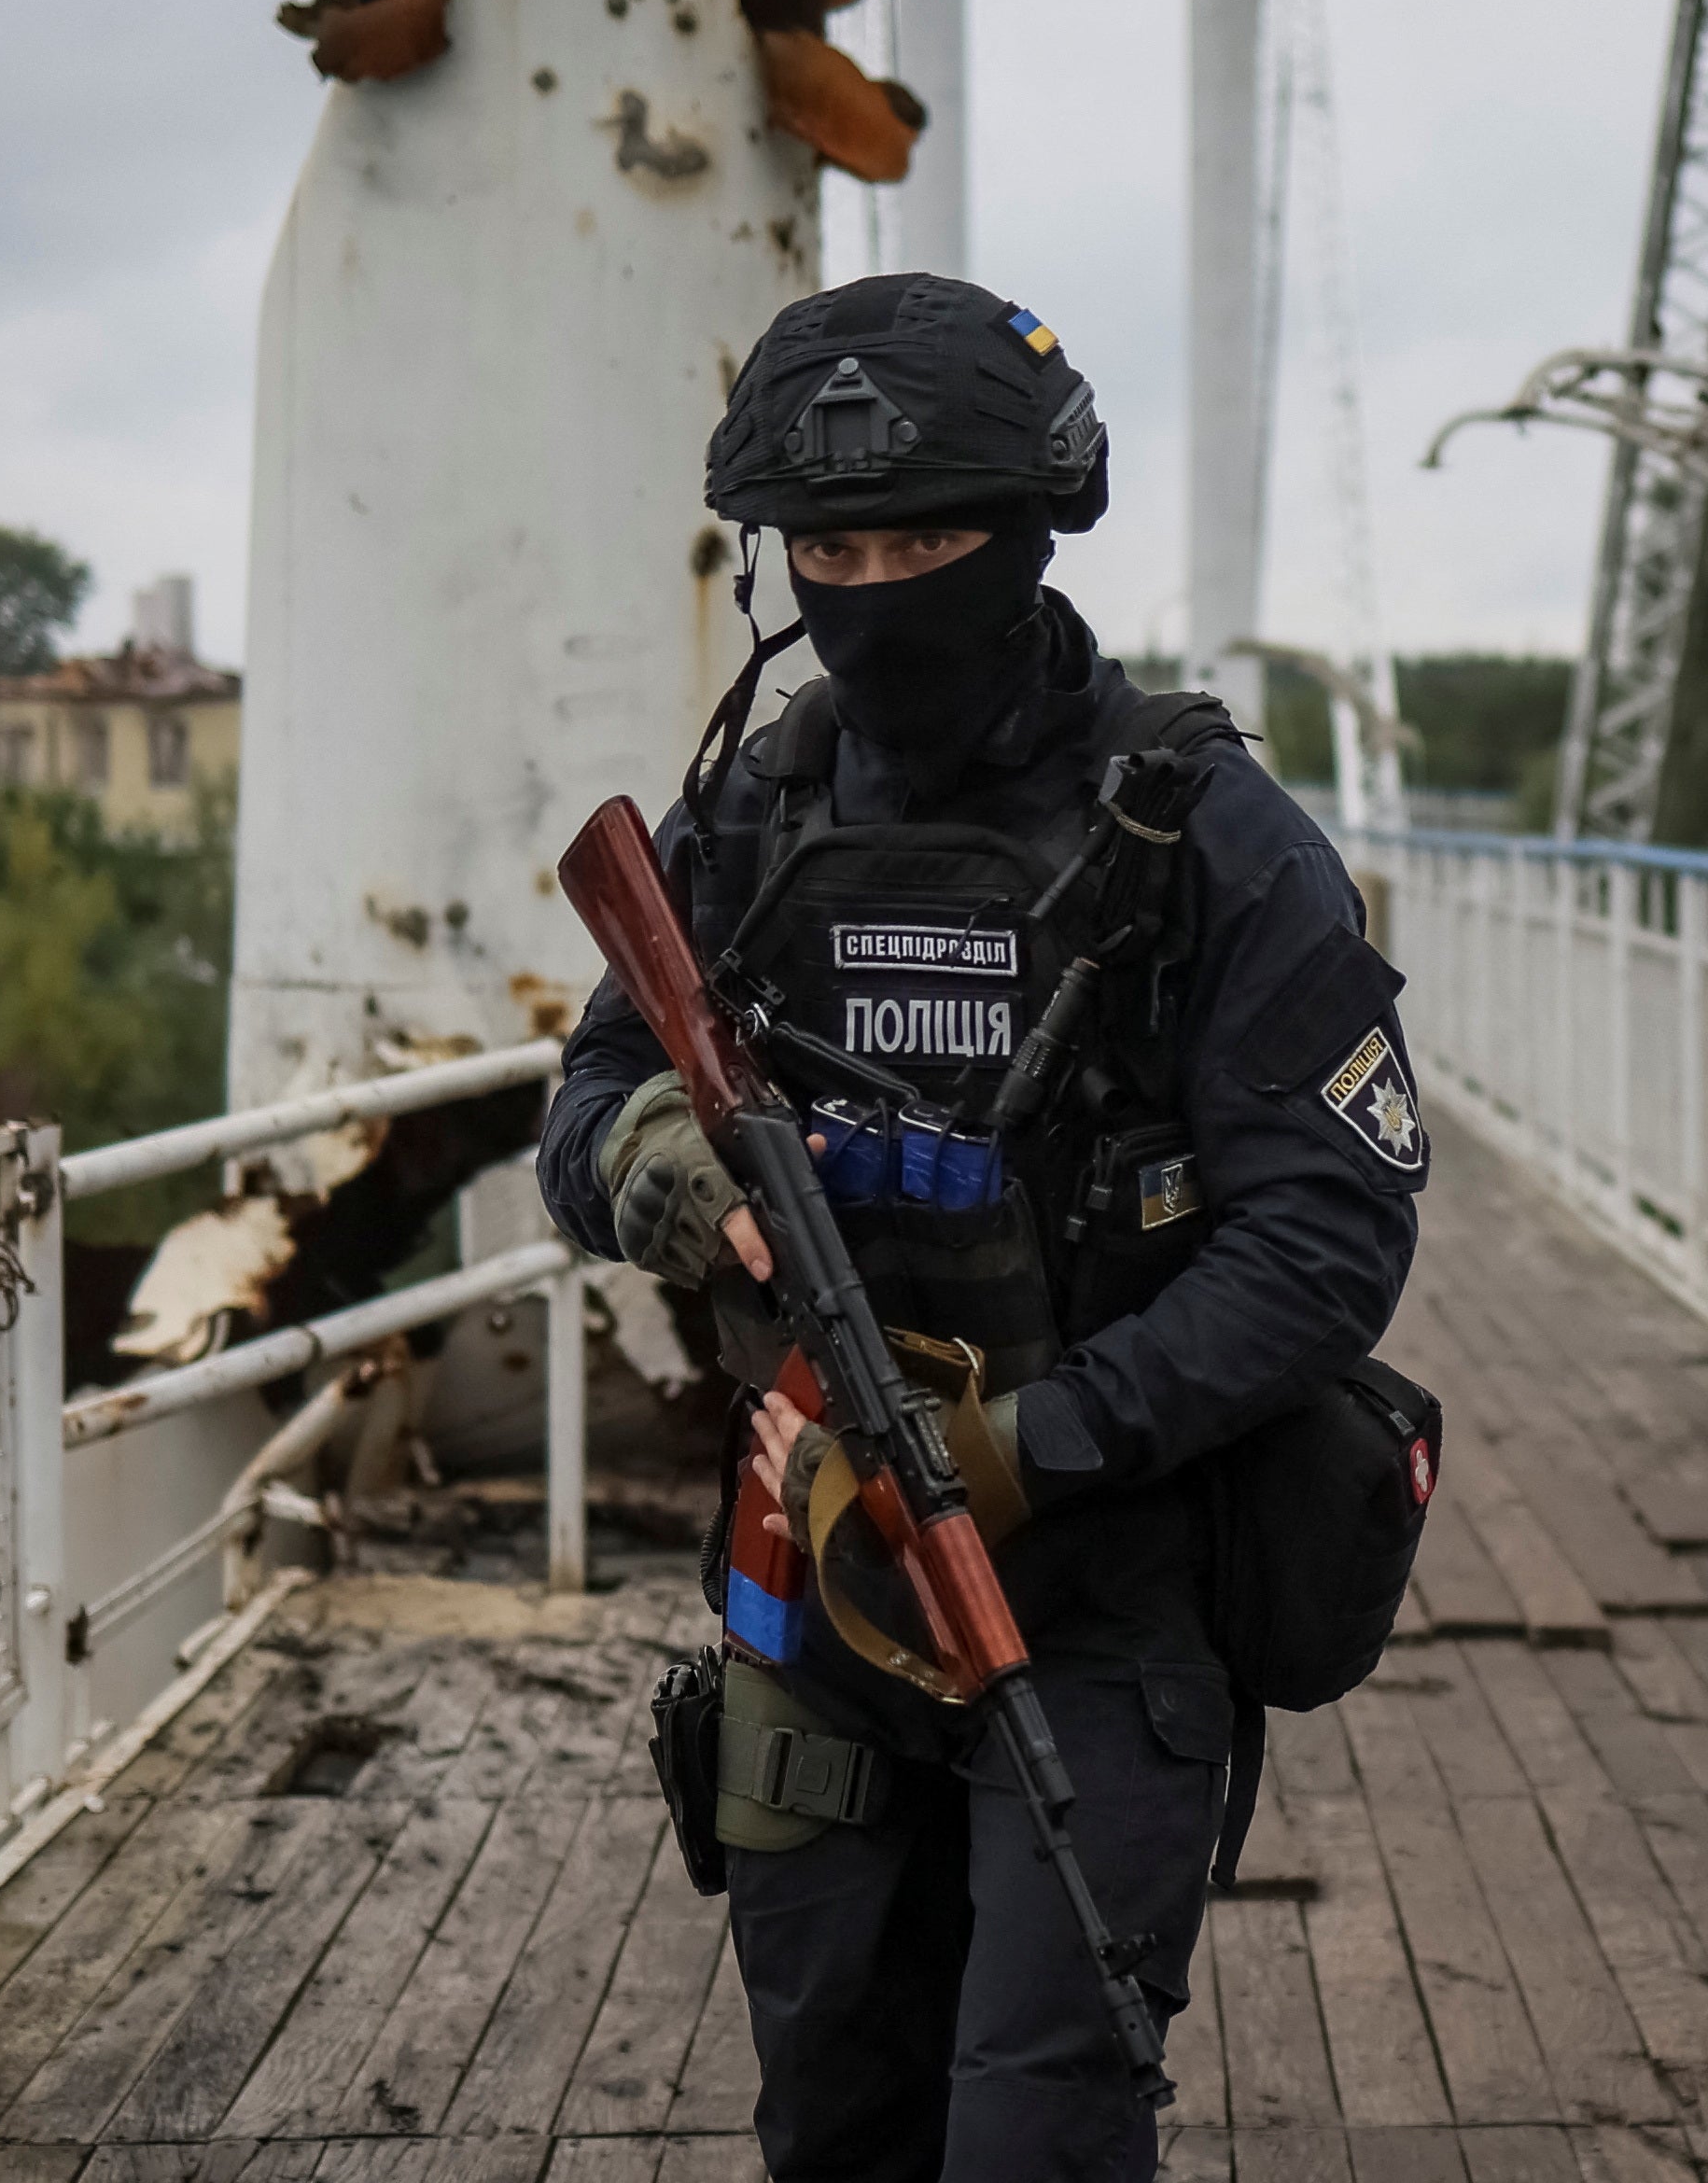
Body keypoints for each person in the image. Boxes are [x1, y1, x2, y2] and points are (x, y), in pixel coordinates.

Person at [537, 273, 1426, 2183]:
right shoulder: (745, 824)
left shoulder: (1204, 839)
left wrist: (1033, 1446)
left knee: (1038, 2128)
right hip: (808, 1590)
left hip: (1096, 1602)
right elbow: (587, 1105)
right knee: (833, 2118)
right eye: (832, 543)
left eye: (923, 534)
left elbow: (1330, 1238)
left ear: (1029, 533)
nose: (875, 583)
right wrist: (666, 1175)